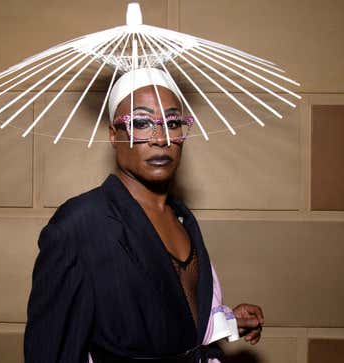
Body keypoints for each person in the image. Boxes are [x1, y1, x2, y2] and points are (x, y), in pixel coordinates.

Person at [24, 68, 264, 363]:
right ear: (114, 135)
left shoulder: (182, 219)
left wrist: (227, 323)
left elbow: (167, 323)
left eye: (173, 122)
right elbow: (52, 351)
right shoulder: (80, 225)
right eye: (141, 122)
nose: (161, 138)